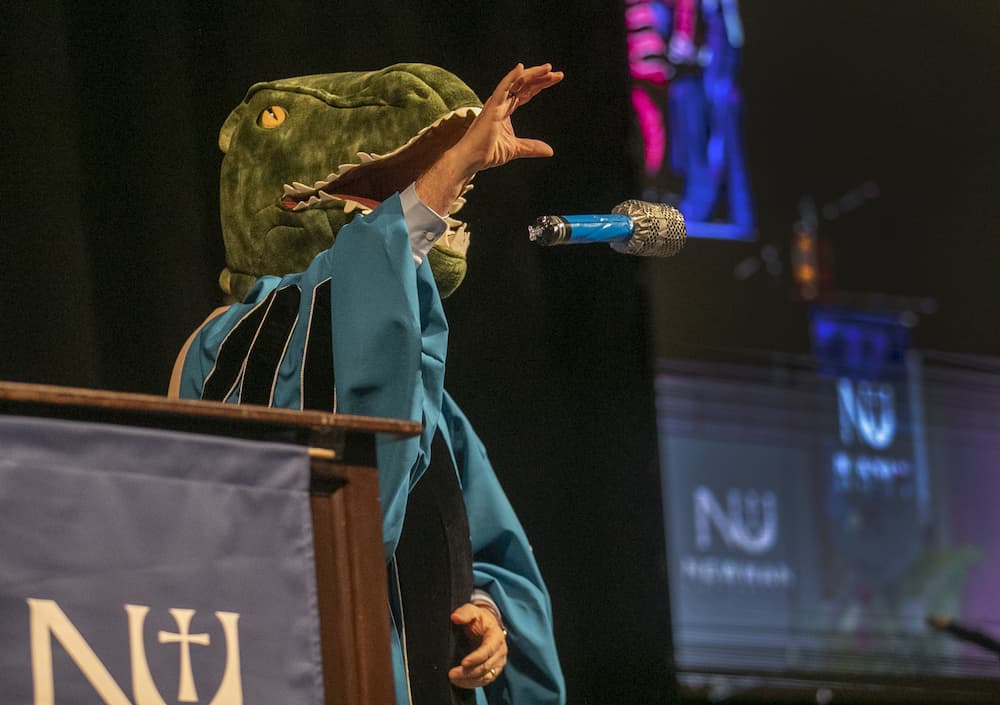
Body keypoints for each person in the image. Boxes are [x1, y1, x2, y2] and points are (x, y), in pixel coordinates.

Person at [172, 63, 566, 705]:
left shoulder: (430, 398)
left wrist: (489, 614)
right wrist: (444, 176)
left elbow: (488, 548)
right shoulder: (232, 346)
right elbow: (330, 528)